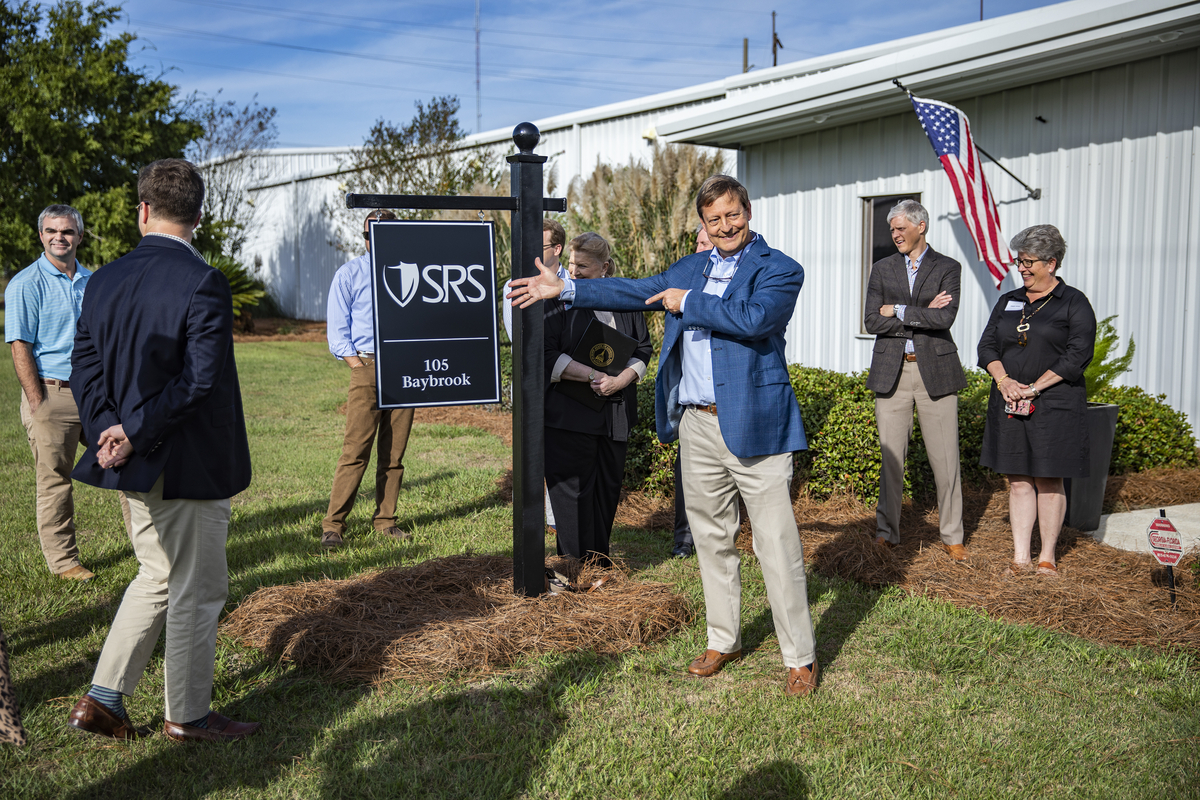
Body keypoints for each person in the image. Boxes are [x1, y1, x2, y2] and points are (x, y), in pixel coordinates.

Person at [511, 175, 820, 697]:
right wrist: (566, 287)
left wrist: (688, 302)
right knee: (711, 537)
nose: (724, 226)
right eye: (713, 219)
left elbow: (754, 319)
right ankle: (724, 638)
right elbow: (637, 289)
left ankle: (800, 656)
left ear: (748, 211)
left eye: (732, 215)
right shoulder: (694, 266)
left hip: (755, 423)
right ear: (703, 224)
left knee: (775, 543)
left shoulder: (780, 269)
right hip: (697, 422)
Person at [65, 158, 260, 742]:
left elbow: (84, 367)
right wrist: (129, 433)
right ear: (198, 217)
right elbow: (200, 382)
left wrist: (107, 428)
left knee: (156, 574)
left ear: (142, 211)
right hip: (184, 462)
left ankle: (103, 698)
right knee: (197, 591)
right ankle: (189, 716)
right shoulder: (204, 280)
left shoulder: (100, 279)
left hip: (131, 456)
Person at [4, 205, 130, 581]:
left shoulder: (95, 282)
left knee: (126, 465)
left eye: (67, 231)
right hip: (52, 394)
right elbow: (19, 346)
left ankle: (149, 547)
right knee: (55, 478)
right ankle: (64, 562)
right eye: (51, 230)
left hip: (97, 395)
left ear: (80, 235)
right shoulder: (26, 283)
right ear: (40, 235)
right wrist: (37, 402)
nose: (59, 237)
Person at [978, 224, 1096, 578]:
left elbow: (1077, 356)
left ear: (1052, 263)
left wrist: (1034, 388)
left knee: (1048, 479)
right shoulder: (1008, 300)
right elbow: (986, 347)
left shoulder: (1073, 302)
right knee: (1017, 480)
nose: (1023, 268)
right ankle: (1020, 557)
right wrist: (1004, 380)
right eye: (1019, 261)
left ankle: (1046, 556)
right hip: (1010, 400)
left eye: (1029, 262)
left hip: (1055, 404)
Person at [863, 199, 968, 560]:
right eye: (891, 229)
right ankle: (886, 531)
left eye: (900, 228)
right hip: (891, 372)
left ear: (920, 226)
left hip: (935, 372)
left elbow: (945, 319)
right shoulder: (881, 269)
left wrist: (899, 309)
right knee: (891, 458)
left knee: (946, 460)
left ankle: (953, 536)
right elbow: (871, 321)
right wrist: (923, 312)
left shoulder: (948, 267)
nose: (894, 234)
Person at [544, 232, 652, 563]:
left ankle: (598, 563)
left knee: (606, 492)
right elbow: (544, 356)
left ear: (604, 267)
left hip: (615, 415)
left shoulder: (625, 299)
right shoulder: (555, 300)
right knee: (571, 494)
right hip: (569, 417)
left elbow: (644, 348)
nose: (573, 272)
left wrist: (621, 379)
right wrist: (592, 376)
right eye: (571, 264)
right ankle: (573, 566)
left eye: (583, 266)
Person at [320, 209, 414, 549]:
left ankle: (386, 521)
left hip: (405, 367)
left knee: (394, 452)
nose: (374, 240)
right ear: (365, 239)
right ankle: (333, 525)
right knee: (355, 449)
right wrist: (358, 366)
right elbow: (337, 332)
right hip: (368, 367)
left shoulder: (412, 273)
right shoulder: (349, 274)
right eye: (369, 234)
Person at [672, 224, 714, 559]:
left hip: (727, 407)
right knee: (686, 477)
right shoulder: (682, 280)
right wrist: (569, 289)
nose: (699, 249)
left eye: (705, 243)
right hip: (691, 408)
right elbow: (636, 291)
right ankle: (684, 540)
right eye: (697, 243)